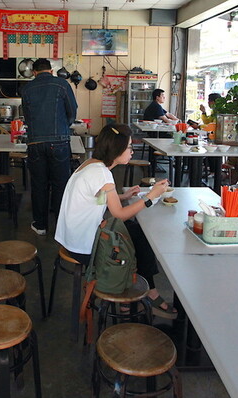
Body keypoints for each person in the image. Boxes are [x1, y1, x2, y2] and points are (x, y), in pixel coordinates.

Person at [55, 124, 177, 318]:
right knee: (138, 240)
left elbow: (95, 197)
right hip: (83, 247)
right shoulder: (102, 173)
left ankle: (130, 301)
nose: (132, 151)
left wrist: (122, 196)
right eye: (129, 147)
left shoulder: (90, 164)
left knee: (134, 232)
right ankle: (145, 296)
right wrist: (150, 197)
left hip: (71, 238)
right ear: (116, 149)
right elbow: (119, 214)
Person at [21, 58, 78, 236]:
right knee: (61, 184)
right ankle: (61, 226)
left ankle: (40, 225)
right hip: (59, 142)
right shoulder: (62, 84)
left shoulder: (27, 88)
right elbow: (72, 111)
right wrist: (63, 127)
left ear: (34, 72)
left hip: (35, 142)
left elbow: (27, 116)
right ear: (51, 71)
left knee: (39, 185)